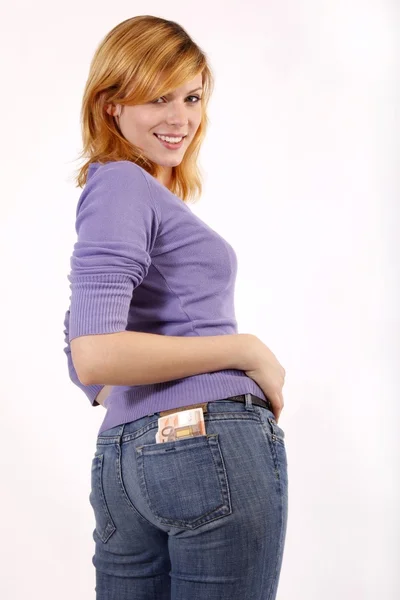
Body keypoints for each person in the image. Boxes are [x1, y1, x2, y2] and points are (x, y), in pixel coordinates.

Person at [63, 14, 288, 600]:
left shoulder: (123, 192)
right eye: (157, 97)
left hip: (125, 459)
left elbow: (79, 341)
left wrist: (133, 401)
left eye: (191, 97)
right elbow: (93, 354)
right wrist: (245, 351)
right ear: (112, 103)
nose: (180, 117)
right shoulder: (121, 184)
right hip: (207, 445)